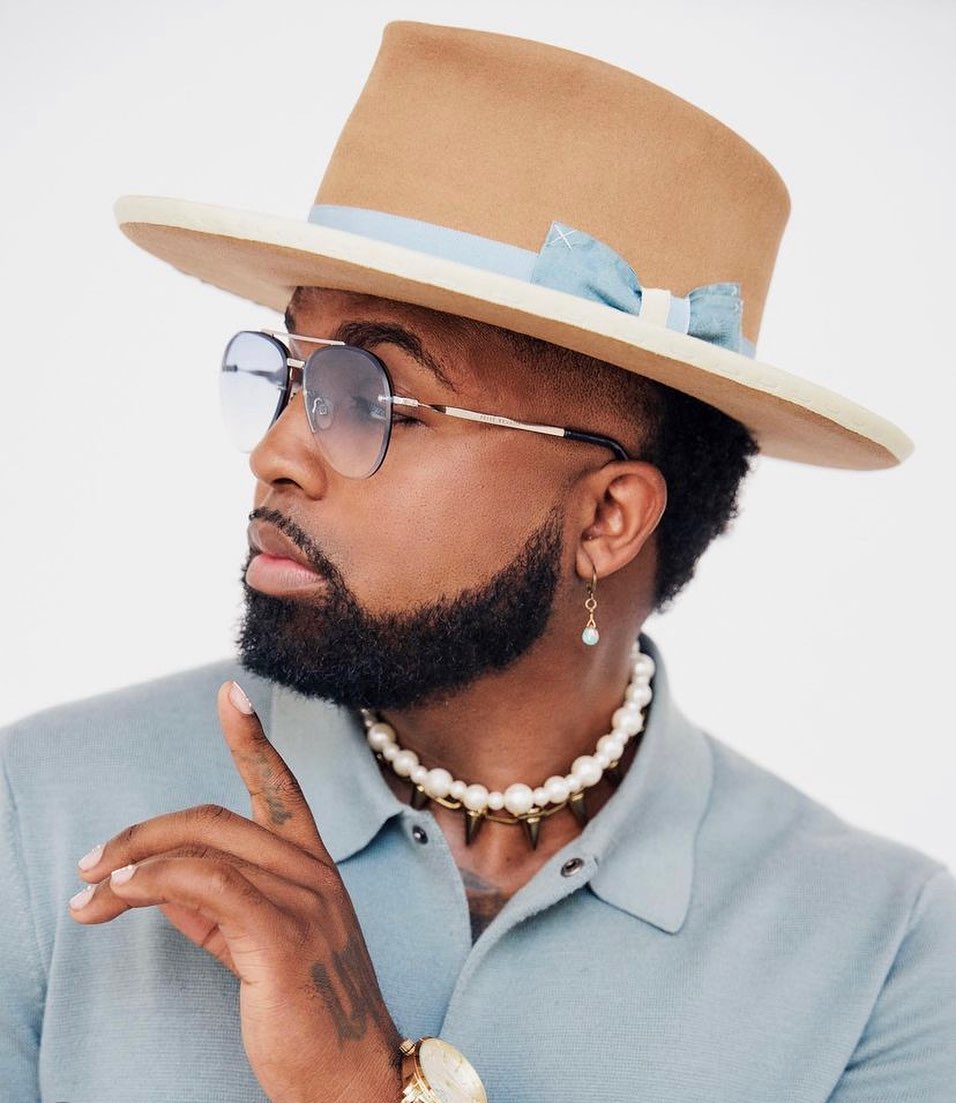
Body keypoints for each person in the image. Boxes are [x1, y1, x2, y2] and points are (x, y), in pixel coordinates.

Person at [2, 20, 953, 1103]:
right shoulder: (51, 812)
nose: (276, 451)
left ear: (606, 517)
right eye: (288, 372)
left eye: (372, 397)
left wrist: (364, 1087)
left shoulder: (880, 953)